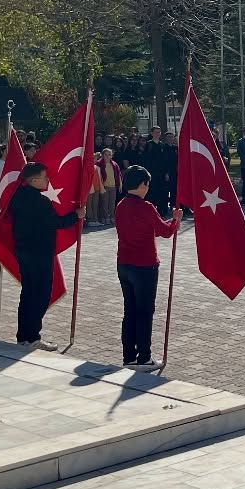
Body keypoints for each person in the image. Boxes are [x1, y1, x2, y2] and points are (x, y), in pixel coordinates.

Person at [9, 161, 86, 350]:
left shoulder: (17, 196)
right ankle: (32, 336)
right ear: (34, 180)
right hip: (39, 253)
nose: (47, 179)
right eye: (44, 176)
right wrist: (76, 215)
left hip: (23, 250)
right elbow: (55, 223)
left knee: (28, 293)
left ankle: (24, 336)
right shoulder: (40, 200)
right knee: (40, 294)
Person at [114, 165, 181, 369]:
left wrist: (169, 222)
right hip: (144, 265)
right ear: (143, 184)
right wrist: (176, 220)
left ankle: (129, 355)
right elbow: (165, 232)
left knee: (130, 311)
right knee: (144, 312)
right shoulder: (146, 207)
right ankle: (144, 357)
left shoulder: (121, 205)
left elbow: (152, 228)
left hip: (124, 263)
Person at [97, 147, 121, 224]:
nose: (108, 156)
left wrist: (120, 184)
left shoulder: (114, 164)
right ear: (103, 155)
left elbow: (118, 174)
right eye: (106, 155)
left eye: (109, 155)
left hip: (113, 186)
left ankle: (111, 217)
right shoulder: (99, 164)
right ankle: (105, 217)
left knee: (112, 203)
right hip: (104, 186)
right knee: (104, 203)